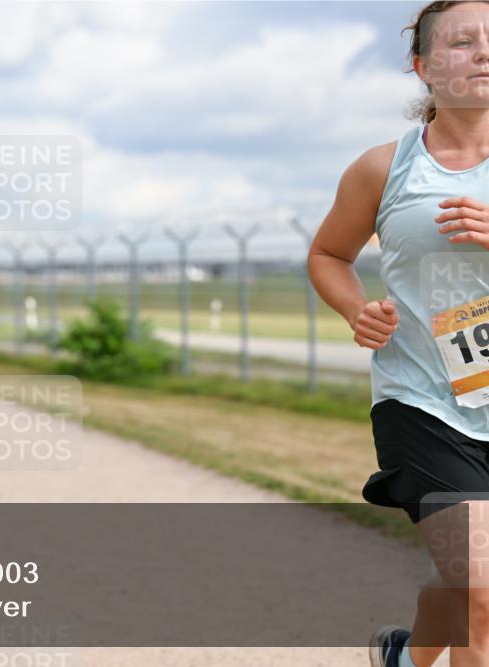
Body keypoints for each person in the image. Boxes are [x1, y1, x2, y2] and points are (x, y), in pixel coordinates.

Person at [308, 3, 489, 666]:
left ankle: (407, 657)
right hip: (423, 405)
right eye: (464, 41)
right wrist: (357, 308)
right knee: (483, 593)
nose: (483, 51)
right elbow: (328, 254)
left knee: (465, 582)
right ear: (423, 66)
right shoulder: (383, 169)